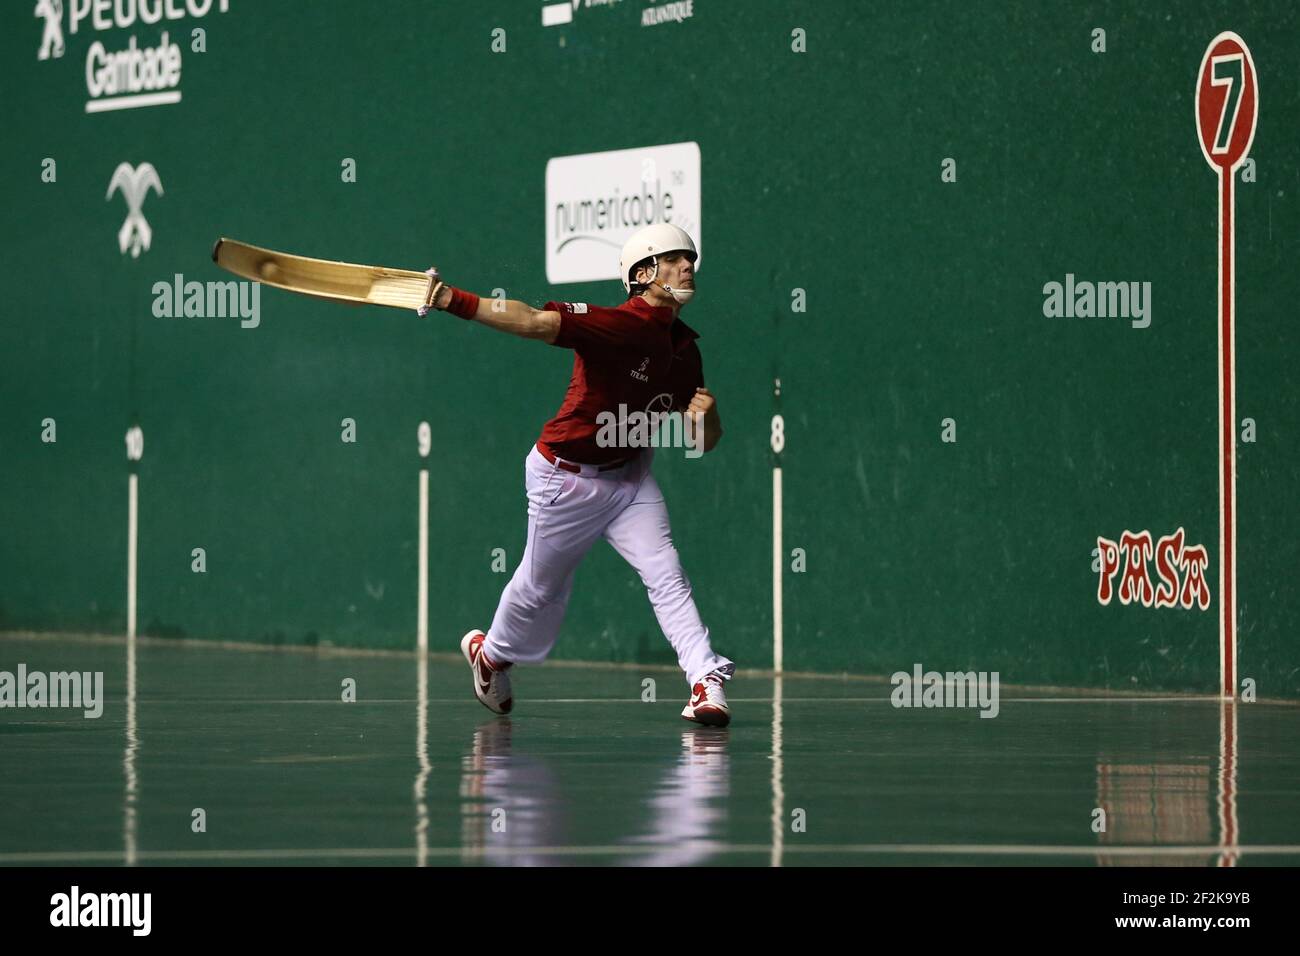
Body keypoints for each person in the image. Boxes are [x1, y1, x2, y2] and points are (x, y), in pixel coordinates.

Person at [419, 223, 735, 726]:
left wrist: (709, 418)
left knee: (667, 575)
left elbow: (703, 441)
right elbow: (532, 321)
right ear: (644, 273)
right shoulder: (617, 325)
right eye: (675, 259)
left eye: (690, 259)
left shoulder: (685, 350)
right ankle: (493, 655)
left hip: (629, 479)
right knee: (541, 588)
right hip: (565, 477)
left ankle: (705, 683)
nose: (688, 267)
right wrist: (450, 299)